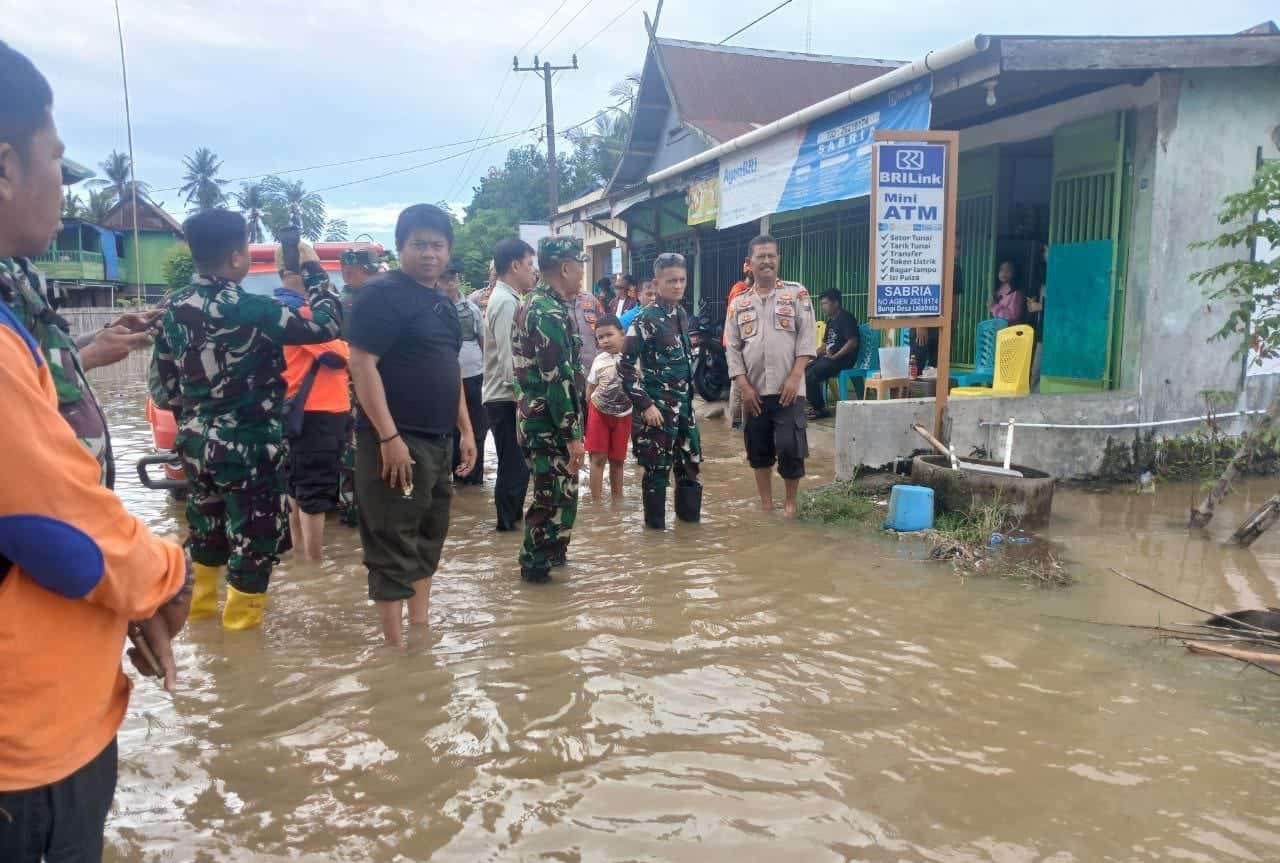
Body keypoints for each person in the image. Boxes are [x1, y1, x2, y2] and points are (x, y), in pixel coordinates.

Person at [0, 39, 191, 859]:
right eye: (56, 158)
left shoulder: (22, 311)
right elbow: (59, 531)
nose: (61, 183)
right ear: (5, 165)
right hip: (26, 748)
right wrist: (160, 583)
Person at [151, 209, 341, 631]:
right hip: (250, 444)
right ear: (238, 256)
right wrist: (310, 266)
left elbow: (162, 388)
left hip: (196, 445)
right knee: (254, 544)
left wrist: (200, 416)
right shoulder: (254, 308)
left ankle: (198, 624)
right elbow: (329, 323)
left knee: (206, 535)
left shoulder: (172, 308)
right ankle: (239, 640)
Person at [349, 204, 475, 647]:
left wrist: (466, 429)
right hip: (397, 441)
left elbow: (450, 367)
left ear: (448, 251)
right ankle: (393, 648)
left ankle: (420, 632)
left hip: (439, 440)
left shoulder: (442, 301)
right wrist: (388, 437)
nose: (429, 254)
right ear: (401, 246)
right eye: (419, 244)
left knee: (428, 536)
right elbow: (362, 364)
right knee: (391, 541)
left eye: (437, 245)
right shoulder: (380, 295)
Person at [513, 236, 588, 584]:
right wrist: (573, 435)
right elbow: (556, 380)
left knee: (563, 497)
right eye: (581, 264)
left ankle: (554, 567)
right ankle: (535, 574)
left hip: (542, 422)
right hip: (550, 426)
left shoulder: (539, 303)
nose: (583, 272)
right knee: (549, 501)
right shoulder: (546, 311)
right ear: (566, 267)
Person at [725, 234, 816, 518]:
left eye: (771, 256)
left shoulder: (796, 293)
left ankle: (790, 503)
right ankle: (766, 504)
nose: (766, 261)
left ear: (777, 260)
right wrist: (742, 385)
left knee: (791, 447)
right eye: (760, 257)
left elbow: (807, 337)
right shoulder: (739, 303)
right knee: (758, 449)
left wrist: (796, 375)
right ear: (749, 263)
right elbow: (733, 348)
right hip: (754, 391)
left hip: (789, 388)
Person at [274, 256, 351, 561]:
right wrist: (345, 345)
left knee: (296, 488)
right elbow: (340, 354)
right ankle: (314, 566)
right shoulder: (302, 314)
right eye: (309, 270)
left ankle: (299, 555)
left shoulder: (282, 311)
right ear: (288, 273)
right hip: (317, 413)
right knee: (313, 492)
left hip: (300, 412)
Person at [619, 252, 703, 529]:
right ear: (657, 283)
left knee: (690, 468)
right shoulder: (645, 319)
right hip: (658, 412)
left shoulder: (681, 315)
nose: (678, 286)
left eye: (682, 280)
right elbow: (625, 367)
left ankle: (689, 535)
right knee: (657, 473)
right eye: (671, 281)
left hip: (685, 410)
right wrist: (645, 405)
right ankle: (654, 538)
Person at [483, 238, 537, 532]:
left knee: (516, 467)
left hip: (507, 396)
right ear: (515, 265)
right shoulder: (505, 302)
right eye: (530, 265)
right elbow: (509, 360)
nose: (533, 272)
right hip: (507, 398)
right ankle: (506, 528)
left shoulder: (509, 298)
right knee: (514, 469)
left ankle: (509, 526)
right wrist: (524, 402)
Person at [336, 247, 381, 527]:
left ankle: (353, 510)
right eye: (368, 272)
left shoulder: (340, 303)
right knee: (358, 452)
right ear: (349, 271)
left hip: (347, 390)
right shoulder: (353, 304)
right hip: (355, 389)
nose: (373, 277)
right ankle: (356, 512)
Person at [441, 265, 487, 486]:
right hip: (445, 380)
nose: (449, 282)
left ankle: (473, 478)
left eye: (452, 277)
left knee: (476, 427)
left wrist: (486, 369)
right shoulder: (433, 307)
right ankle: (452, 474)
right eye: (444, 278)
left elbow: (482, 340)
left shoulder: (472, 308)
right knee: (449, 429)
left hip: (474, 375)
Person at [584, 315, 631, 501]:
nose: (605, 340)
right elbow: (590, 388)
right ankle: (596, 503)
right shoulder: (599, 360)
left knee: (618, 461)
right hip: (598, 413)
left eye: (609, 335)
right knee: (598, 459)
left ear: (622, 334)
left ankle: (617, 501)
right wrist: (587, 414)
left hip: (624, 414)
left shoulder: (631, 358)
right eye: (600, 337)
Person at [805, 289, 860, 420]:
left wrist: (835, 356)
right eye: (822, 304)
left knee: (811, 374)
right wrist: (811, 356)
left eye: (825, 303)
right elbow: (825, 345)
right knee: (804, 369)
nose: (823, 307)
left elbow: (853, 342)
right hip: (830, 359)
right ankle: (818, 406)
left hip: (843, 359)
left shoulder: (846, 318)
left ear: (835, 303)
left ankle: (820, 409)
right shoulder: (830, 321)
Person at [724, 262, 753, 430]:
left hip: (741, 341)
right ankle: (737, 422)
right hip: (736, 342)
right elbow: (736, 319)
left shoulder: (743, 289)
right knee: (738, 382)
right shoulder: (740, 290)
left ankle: (739, 422)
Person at [572, 282, 606, 374]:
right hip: (568, 368)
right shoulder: (554, 300)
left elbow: (604, 325)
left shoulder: (590, 298)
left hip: (592, 365)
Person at [989, 259, 1025, 326]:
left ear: (1015, 272)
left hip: (1008, 330)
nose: (1004, 272)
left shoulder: (1016, 293)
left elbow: (1013, 316)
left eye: (1008, 270)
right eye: (1001, 269)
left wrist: (994, 307)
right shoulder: (999, 288)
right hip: (997, 326)